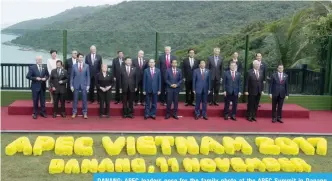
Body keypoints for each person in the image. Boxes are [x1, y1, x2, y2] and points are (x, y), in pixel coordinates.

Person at [71, 53, 90, 119]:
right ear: (77, 58)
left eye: (82, 57)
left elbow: (88, 77)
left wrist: (88, 85)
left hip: (84, 85)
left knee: (84, 100)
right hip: (75, 84)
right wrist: (71, 85)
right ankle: (74, 112)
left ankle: (85, 113)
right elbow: (71, 77)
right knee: (75, 99)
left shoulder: (86, 66)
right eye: (80, 57)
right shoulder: (74, 66)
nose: (81, 58)